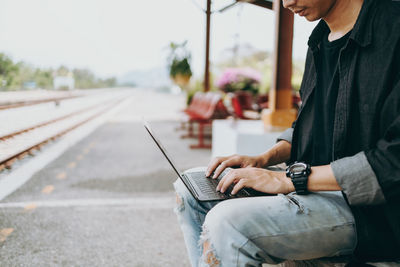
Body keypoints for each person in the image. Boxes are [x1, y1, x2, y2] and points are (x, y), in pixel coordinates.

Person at [173, 0, 400, 266]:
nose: (286, 3)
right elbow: (309, 126)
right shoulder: (318, 40)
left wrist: (290, 180)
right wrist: (262, 159)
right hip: (311, 188)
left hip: (370, 212)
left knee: (227, 224)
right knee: (190, 189)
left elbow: (393, 161)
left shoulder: (393, 29)